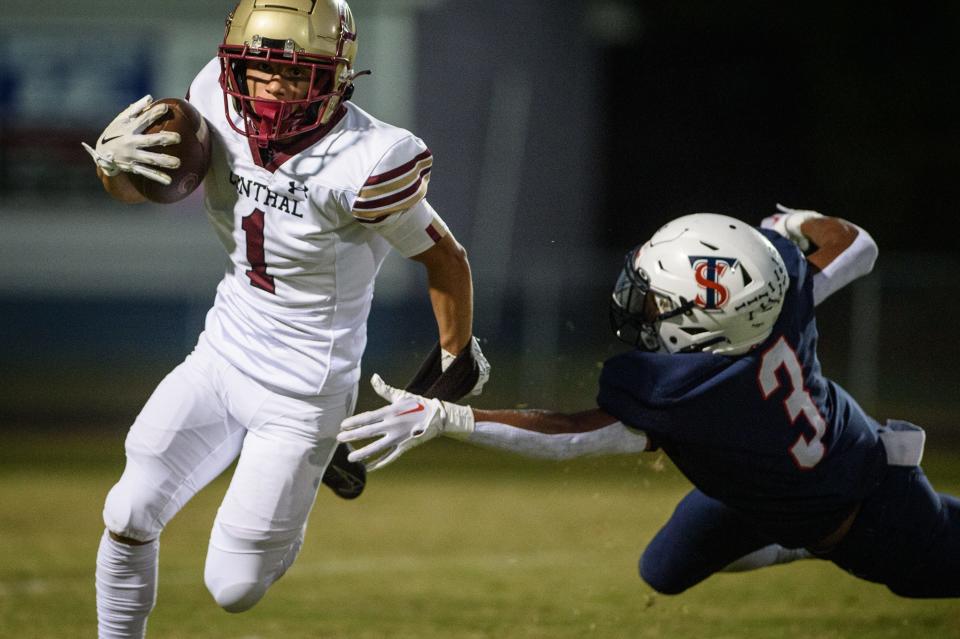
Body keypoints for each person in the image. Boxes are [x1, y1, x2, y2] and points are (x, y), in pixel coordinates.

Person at [82, 1, 488, 636]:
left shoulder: (370, 158)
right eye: (259, 70)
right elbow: (149, 188)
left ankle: (306, 472)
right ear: (232, 65)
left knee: (233, 588)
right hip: (220, 355)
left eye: (297, 74)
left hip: (303, 392)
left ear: (338, 74)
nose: (273, 88)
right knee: (128, 510)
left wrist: (452, 359)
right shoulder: (211, 98)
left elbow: (446, 257)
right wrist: (114, 171)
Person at [339, 206, 960, 598]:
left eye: (662, 301)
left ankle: (819, 537)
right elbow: (855, 245)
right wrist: (786, 229)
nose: (645, 304)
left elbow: (571, 433)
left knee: (935, 568)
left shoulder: (693, 394)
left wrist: (455, 418)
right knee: (663, 571)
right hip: (777, 480)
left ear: (706, 326)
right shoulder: (774, 296)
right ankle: (796, 534)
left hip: (871, 507)